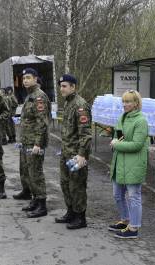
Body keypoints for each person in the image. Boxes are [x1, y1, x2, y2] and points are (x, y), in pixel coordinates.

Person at [108, 90, 149, 239]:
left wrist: (117, 145)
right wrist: (115, 142)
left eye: (128, 102)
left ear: (136, 103)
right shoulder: (122, 118)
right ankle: (125, 220)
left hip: (134, 164)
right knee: (117, 195)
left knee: (133, 196)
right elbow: (119, 137)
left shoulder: (141, 121)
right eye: (123, 102)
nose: (124, 104)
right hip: (120, 162)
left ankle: (134, 227)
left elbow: (137, 145)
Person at [54, 74, 92, 229]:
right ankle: (70, 212)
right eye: (61, 86)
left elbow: (86, 134)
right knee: (65, 184)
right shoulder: (69, 103)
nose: (61, 89)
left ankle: (80, 217)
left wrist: (82, 155)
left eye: (64, 86)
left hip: (76, 155)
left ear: (73, 87)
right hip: (66, 153)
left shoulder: (80, 105)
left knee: (77, 186)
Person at [19, 68, 50, 218]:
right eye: (24, 78)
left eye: (28, 77)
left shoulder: (39, 97)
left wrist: (38, 144)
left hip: (34, 143)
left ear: (36, 79)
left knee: (36, 173)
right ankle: (35, 200)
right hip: (27, 141)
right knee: (28, 172)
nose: (25, 80)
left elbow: (42, 123)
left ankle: (42, 205)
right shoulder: (29, 95)